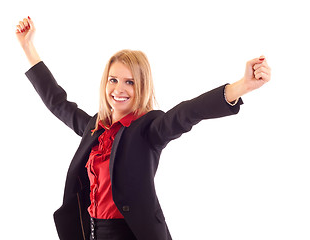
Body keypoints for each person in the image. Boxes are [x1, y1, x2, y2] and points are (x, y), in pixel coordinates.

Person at [15, 16, 271, 240]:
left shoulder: (149, 128)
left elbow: (188, 112)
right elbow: (58, 103)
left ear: (143, 86)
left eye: (130, 82)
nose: (119, 89)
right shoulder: (95, 127)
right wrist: (28, 48)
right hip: (91, 232)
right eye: (113, 80)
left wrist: (241, 86)